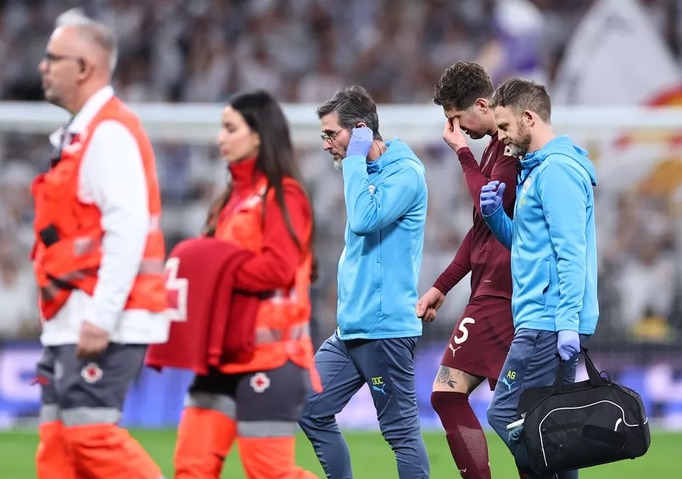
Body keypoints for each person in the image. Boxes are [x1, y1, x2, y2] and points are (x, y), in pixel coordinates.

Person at [31, 9, 169, 479]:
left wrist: (101, 315)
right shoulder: (83, 135)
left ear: (85, 68)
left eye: (53, 58)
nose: (42, 67)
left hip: (102, 317)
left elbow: (127, 229)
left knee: (88, 434)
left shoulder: (108, 134)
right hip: (73, 316)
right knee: (57, 448)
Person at [170, 90, 320, 479]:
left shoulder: (283, 195)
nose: (220, 137)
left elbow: (279, 271)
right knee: (192, 467)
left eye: (229, 128)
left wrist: (214, 270)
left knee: (270, 473)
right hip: (220, 356)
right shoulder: (227, 202)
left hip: (270, 358)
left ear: (258, 135)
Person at [299, 85, 430, 479]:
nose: (325, 145)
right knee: (310, 408)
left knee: (401, 434)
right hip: (351, 329)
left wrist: (355, 160)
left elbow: (364, 218)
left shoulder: (406, 174)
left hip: (385, 329)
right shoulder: (367, 172)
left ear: (359, 131)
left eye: (330, 134)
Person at [479, 78, 599, 479]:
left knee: (511, 417)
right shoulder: (538, 170)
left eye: (505, 126)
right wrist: (498, 219)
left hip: (548, 322)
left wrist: (567, 322)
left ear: (528, 118)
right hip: (545, 318)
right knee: (554, 427)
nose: (501, 137)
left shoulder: (557, 172)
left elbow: (571, 253)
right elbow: (531, 245)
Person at [415, 61, 516, 479]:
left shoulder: (509, 146)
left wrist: (461, 154)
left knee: (447, 394)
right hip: (490, 289)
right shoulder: (493, 147)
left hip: (502, 292)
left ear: (480, 103)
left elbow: (487, 206)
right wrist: (442, 286)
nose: (454, 130)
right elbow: (479, 230)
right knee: (516, 416)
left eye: (456, 119)